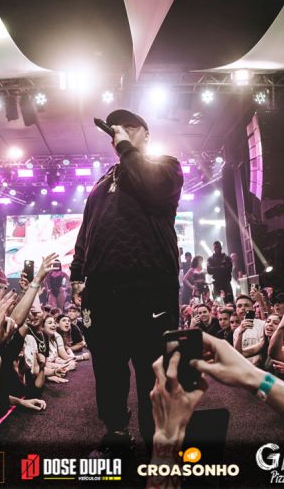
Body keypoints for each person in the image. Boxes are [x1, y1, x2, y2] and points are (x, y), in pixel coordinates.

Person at [70, 108, 183, 458]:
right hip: (103, 292)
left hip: (149, 289)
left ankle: (158, 442)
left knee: (154, 371)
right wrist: (77, 274)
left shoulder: (166, 167)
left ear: (146, 134)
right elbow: (87, 230)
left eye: (129, 127)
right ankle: (116, 432)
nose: (119, 132)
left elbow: (153, 188)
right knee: (108, 369)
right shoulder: (102, 182)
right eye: (115, 128)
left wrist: (126, 149)